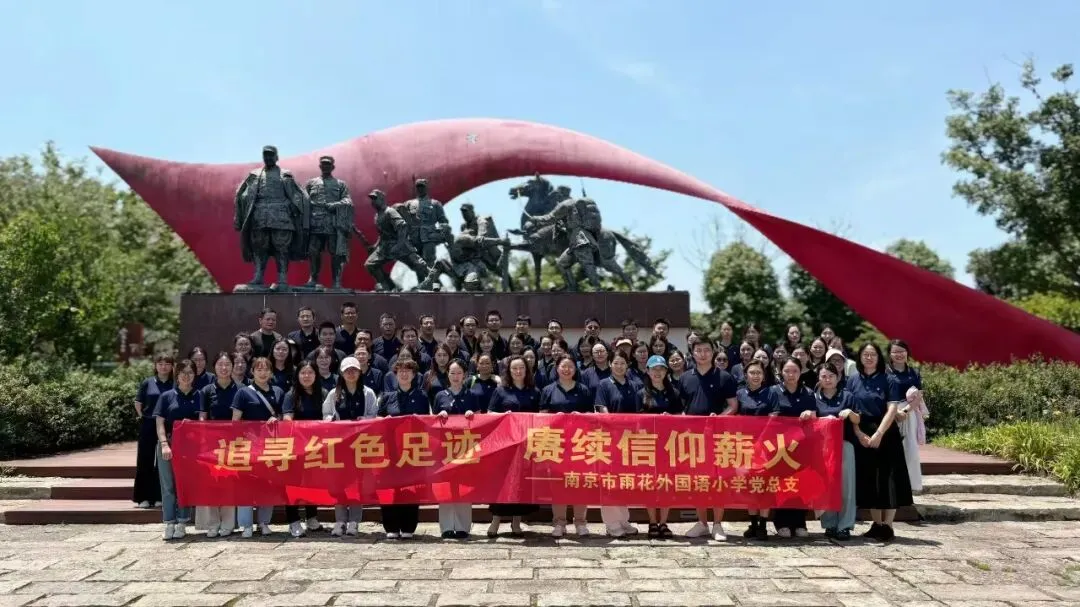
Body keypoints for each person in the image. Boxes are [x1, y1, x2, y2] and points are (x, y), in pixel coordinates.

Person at [849, 343, 913, 542]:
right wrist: (858, 433)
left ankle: (888, 525)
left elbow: (892, 409)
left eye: (873, 354)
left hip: (886, 432)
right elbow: (849, 408)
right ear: (860, 357)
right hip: (862, 431)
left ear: (879, 357)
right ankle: (876, 524)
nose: (869, 358)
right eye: (865, 354)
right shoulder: (853, 379)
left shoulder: (889, 379)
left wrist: (879, 433)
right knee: (870, 479)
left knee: (888, 478)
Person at [679, 340, 738, 541]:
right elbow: (682, 407)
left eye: (706, 350)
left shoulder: (724, 377)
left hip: (718, 437)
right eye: (698, 350)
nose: (702, 354)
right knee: (698, 481)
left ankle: (717, 524)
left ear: (713, 353)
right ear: (692, 353)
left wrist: (719, 418)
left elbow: (733, 405)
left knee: (718, 480)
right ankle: (702, 523)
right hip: (692, 438)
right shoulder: (685, 377)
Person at [322, 356, 378, 536]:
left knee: (357, 483)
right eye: (347, 370)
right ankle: (340, 520)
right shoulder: (334, 393)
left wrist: (365, 419)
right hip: (340, 445)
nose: (351, 373)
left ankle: (354, 521)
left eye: (354, 370)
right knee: (338, 483)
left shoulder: (368, 393)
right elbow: (326, 413)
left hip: (361, 444)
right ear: (341, 373)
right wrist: (330, 420)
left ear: (360, 372)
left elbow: (373, 414)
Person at [486, 356, 541, 537]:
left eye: (521, 368)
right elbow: (489, 413)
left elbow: (541, 416)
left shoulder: (534, 391)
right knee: (502, 483)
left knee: (521, 484)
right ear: (508, 371)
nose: (518, 371)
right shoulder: (501, 391)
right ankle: (495, 520)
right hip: (505, 444)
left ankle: (516, 522)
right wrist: (504, 416)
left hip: (526, 444)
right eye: (514, 368)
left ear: (527, 370)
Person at [540, 354, 594, 537]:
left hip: (579, 442)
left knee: (580, 482)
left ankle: (580, 522)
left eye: (570, 366)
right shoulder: (548, 390)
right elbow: (541, 416)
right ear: (557, 368)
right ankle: (559, 522)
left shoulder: (583, 390)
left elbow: (591, 416)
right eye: (563, 366)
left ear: (575, 369)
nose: (567, 369)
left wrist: (581, 416)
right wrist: (554, 419)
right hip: (556, 443)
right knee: (558, 484)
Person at [231, 357, 285, 537]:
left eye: (266, 369)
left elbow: (284, 416)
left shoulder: (278, 391)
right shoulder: (243, 393)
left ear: (271, 372)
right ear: (252, 372)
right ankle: (246, 524)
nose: (262, 373)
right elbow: (235, 421)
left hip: (270, 446)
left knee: (268, 484)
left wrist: (277, 419)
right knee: (246, 484)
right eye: (259, 369)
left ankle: (264, 522)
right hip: (248, 445)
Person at [376, 359, 430, 539]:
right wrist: (385, 421)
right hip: (390, 451)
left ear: (414, 375)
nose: (404, 374)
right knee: (390, 487)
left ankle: (408, 526)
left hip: (413, 450)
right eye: (400, 371)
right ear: (395, 375)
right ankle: (391, 526)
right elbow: (378, 421)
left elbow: (427, 422)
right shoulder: (387, 397)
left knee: (411, 488)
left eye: (408, 371)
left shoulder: (422, 396)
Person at [634, 355, 682, 538]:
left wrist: (670, 419)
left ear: (666, 371)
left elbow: (682, 418)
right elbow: (637, 421)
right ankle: (652, 521)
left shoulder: (674, 393)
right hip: (647, 445)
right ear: (647, 371)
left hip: (669, 445)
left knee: (666, 484)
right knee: (649, 483)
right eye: (654, 369)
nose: (657, 372)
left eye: (661, 368)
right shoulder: (641, 393)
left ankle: (663, 522)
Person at [153, 359, 202, 540]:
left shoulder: (199, 395)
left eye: (190, 373)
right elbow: (159, 423)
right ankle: (169, 522)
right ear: (177, 375)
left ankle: (182, 522)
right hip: (169, 444)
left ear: (194, 375)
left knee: (184, 484)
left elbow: (203, 420)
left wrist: (193, 425)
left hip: (190, 447)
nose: (186, 376)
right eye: (183, 373)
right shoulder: (167, 396)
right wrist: (164, 443)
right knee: (168, 486)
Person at [770, 357, 818, 538]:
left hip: (801, 446)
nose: (791, 375)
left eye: (795, 371)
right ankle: (781, 522)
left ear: (800, 372)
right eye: (787, 371)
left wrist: (810, 414)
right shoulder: (773, 391)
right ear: (780, 372)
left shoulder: (808, 393)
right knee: (781, 484)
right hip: (780, 447)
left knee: (801, 483)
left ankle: (800, 522)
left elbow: (815, 418)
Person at [594, 351, 640, 538]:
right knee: (609, 481)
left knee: (624, 481)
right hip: (610, 440)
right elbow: (601, 410)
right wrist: (615, 426)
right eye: (616, 363)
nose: (619, 366)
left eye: (623, 363)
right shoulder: (604, 384)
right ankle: (612, 524)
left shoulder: (634, 385)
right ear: (610, 364)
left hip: (630, 441)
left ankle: (623, 520)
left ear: (627, 365)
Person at [434, 359, 479, 539]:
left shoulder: (472, 395)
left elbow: (480, 422)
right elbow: (432, 422)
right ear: (447, 375)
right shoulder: (440, 396)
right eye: (452, 373)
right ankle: (446, 527)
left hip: (465, 446)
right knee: (445, 486)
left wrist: (472, 416)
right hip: (445, 447)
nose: (455, 376)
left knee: (463, 486)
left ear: (465, 375)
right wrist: (440, 415)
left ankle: (462, 527)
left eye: (459, 373)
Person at [815, 362, 860, 541]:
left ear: (838, 377)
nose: (828, 379)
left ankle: (845, 525)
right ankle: (829, 524)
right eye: (824, 376)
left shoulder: (847, 396)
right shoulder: (814, 397)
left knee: (846, 486)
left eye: (831, 376)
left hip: (844, 444)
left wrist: (850, 413)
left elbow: (858, 419)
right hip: (822, 447)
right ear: (819, 378)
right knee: (825, 486)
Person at [196, 352, 239, 537]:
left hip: (234, 443)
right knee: (211, 483)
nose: (224, 368)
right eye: (220, 364)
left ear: (232, 367)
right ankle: (213, 523)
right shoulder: (206, 390)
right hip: (212, 444)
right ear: (214, 367)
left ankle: (228, 523)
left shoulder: (240, 389)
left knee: (229, 483)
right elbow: (202, 416)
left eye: (227, 364)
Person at [281, 360, 325, 537]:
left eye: (310, 373)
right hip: (295, 447)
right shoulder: (291, 395)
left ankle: (312, 517)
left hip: (316, 447)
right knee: (293, 484)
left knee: (312, 483)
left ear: (316, 375)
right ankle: (293, 521)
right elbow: (287, 418)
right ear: (297, 375)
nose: (307, 376)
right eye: (303, 373)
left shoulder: (322, 393)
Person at [735, 360, 778, 540]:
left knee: (764, 486)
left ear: (764, 375)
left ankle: (763, 525)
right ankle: (753, 523)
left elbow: (774, 417)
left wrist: (761, 441)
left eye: (759, 373)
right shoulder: (740, 393)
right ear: (746, 375)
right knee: (749, 486)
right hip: (744, 446)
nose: (755, 376)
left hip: (765, 447)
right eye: (752, 372)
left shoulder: (771, 393)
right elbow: (735, 416)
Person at [133, 354, 173, 509]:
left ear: (172, 366)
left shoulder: (174, 384)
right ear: (155, 366)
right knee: (145, 460)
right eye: (160, 363)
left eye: (167, 364)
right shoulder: (148, 382)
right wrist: (143, 416)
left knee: (162, 462)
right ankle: (142, 498)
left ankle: (158, 497)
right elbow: (138, 403)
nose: (163, 367)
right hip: (148, 424)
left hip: (166, 425)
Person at [886, 339, 926, 494]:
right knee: (891, 451)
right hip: (888, 413)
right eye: (895, 351)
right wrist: (895, 412)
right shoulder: (885, 372)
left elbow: (919, 395)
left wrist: (905, 411)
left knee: (910, 450)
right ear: (889, 354)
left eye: (901, 351)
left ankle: (909, 487)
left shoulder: (914, 373)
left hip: (909, 414)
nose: (899, 354)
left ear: (907, 352)